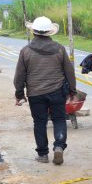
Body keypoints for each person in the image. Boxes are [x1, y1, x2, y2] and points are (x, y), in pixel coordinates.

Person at [13, 16, 76, 165]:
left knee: (40, 123)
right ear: (50, 33)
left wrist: (19, 94)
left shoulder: (26, 51)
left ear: (34, 32)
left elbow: (19, 76)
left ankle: (42, 155)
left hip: (35, 94)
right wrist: (72, 91)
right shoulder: (60, 49)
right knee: (59, 119)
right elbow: (69, 72)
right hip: (57, 91)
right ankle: (59, 146)